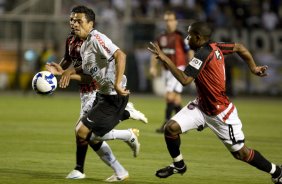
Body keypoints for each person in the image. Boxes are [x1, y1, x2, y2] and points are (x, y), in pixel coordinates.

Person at [148, 21, 281, 183]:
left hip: (221, 113)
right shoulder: (214, 46)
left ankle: (277, 171)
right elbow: (240, 47)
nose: (187, 38)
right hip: (202, 106)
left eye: (190, 36)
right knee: (170, 128)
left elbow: (185, 80)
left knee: (241, 154)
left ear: (198, 38)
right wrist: (253, 68)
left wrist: (164, 58)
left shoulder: (202, 54)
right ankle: (179, 165)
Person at [46, 5, 147, 182]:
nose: (74, 24)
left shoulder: (96, 39)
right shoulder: (79, 43)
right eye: (72, 20)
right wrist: (62, 70)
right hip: (103, 94)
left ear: (90, 23)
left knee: (83, 132)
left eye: (79, 21)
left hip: (111, 95)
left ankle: (84, 167)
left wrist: (116, 84)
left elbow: (120, 55)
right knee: (88, 134)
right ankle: (120, 169)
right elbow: (82, 72)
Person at [150, 11, 193, 133]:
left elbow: (189, 51)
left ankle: (166, 122)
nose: (168, 22)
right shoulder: (161, 37)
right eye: (166, 20)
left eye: (170, 20)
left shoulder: (180, 36)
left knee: (169, 96)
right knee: (176, 99)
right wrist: (153, 67)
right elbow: (155, 53)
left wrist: (192, 67)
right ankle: (184, 125)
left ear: (175, 21)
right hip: (166, 70)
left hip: (179, 69)